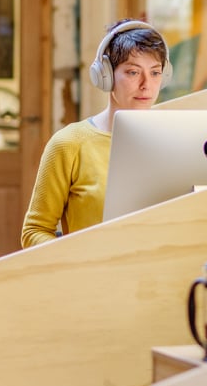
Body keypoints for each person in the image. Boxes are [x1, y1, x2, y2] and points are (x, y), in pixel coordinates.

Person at [20, 19, 171, 248]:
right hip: (91, 268)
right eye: (133, 72)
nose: (146, 85)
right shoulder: (69, 144)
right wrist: (77, 259)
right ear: (105, 76)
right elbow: (34, 231)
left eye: (155, 73)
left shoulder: (173, 140)